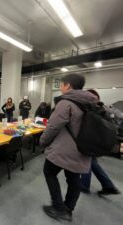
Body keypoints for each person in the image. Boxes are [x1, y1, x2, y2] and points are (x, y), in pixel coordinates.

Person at [40, 74, 96, 222]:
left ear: (69, 86)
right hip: (83, 149)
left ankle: (58, 208)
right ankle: (68, 209)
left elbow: (52, 126)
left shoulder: (66, 103)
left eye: (62, 84)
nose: (60, 87)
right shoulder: (90, 102)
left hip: (64, 149)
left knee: (49, 172)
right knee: (74, 180)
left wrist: (43, 141)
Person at [80, 89, 120, 195]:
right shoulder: (102, 107)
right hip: (99, 140)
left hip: (91, 140)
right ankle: (108, 186)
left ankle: (84, 186)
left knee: (87, 161)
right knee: (92, 163)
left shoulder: (93, 109)